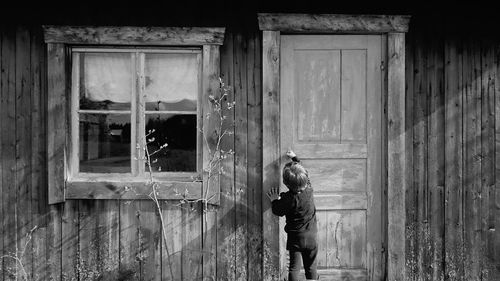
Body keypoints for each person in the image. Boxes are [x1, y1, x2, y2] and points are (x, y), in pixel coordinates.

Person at [267, 150, 319, 281]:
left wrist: (274, 199)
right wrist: (295, 158)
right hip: (312, 237)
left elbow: (278, 211)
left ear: (286, 183)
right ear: (306, 180)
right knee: (311, 267)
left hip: (296, 239)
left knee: (294, 268)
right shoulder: (309, 189)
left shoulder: (287, 199)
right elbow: (305, 173)